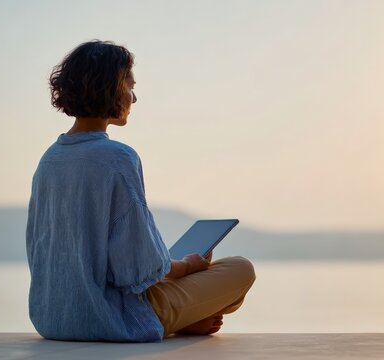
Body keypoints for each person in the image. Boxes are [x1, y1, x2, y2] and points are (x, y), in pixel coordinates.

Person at [26, 40, 256, 343]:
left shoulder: (50, 158)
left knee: (187, 277)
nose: (133, 97)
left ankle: (186, 318)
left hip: (51, 318)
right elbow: (136, 270)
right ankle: (177, 320)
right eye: (129, 85)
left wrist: (170, 267)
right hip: (111, 318)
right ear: (112, 87)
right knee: (241, 269)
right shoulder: (118, 158)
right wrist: (187, 266)